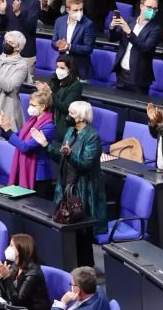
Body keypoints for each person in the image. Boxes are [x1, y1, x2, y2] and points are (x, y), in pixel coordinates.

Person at [33, 101, 106, 237]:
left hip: (83, 189)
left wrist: (70, 154)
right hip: (66, 185)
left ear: (82, 117)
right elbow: (62, 157)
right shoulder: (70, 131)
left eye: (72, 113)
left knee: (81, 234)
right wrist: (45, 145)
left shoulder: (92, 137)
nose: (68, 116)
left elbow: (86, 164)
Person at [0, 90, 56, 198]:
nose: (30, 107)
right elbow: (18, 136)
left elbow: (25, 147)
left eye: (33, 105)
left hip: (38, 176)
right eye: (29, 104)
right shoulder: (32, 121)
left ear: (43, 106)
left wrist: (8, 130)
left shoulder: (48, 126)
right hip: (26, 170)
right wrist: (4, 126)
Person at [111, 0, 162, 92]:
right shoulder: (130, 21)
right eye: (149, 7)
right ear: (141, 6)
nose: (152, 11)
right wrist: (112, 27)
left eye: (155, 9)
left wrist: (129, 32)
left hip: (139, 79)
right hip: (121, 74)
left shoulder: (156, 29)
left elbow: (145, 48)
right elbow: (112, 38)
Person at [0, 233, 52, 310]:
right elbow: (6, 293)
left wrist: (7, 277)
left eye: (11, 245)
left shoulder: (33, 273)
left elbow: (17, 301)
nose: (8, 248)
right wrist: (1, 275)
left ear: (21, 249)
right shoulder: (16, 265)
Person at [0, 0, 41, 70]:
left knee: (24, 85)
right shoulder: (7, 0)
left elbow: (30, 27)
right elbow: (0, 27)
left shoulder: (33, 2)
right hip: (8, 53)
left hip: (25, 54)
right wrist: (2, 12)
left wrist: (18, 13)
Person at [51, 0, 96, 79]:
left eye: (81, 9)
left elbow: (88, 48)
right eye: (75, 10)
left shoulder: (88, 24)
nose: (79, 12)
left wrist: (69, 47)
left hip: (80, 69)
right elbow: (53, 42)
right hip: (63, 67)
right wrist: (58, 45)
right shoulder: (59, 21)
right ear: (68, 10)